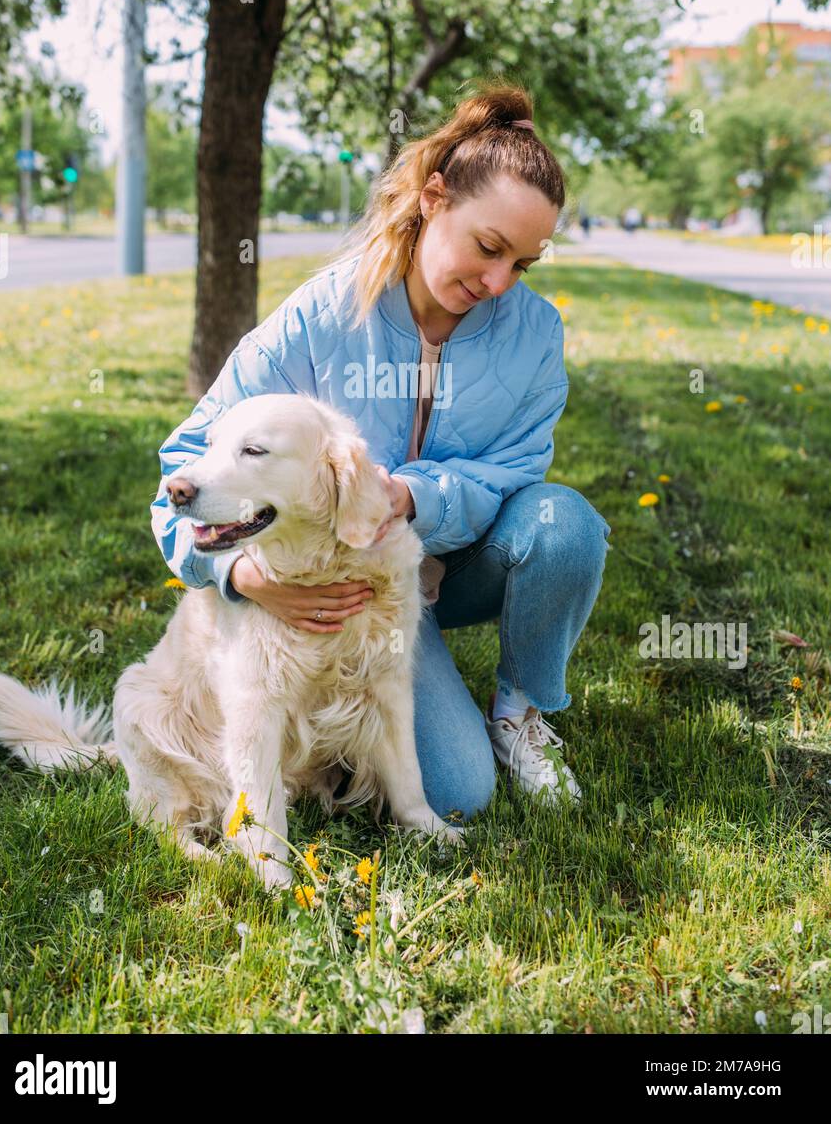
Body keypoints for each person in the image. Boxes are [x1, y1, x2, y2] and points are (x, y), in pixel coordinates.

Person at [150, 81, 611, 825]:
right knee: (460, 792)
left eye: (522, 264)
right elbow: (192, 464)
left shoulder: (535, 335)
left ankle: (519, 710)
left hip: (461, 564)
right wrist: (237, 572)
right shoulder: (321, 315)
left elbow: (517, 474)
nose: (497, 283)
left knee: (566, 525)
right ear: (434, 198)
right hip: (357, 589)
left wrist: (410, 496)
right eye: (488, 247)